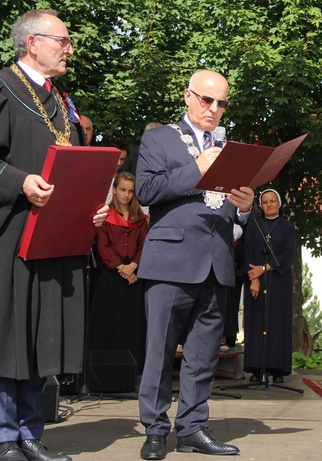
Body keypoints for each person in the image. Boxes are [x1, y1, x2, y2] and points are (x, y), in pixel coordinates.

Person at [0, 9, 109, 461]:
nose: (70, 48)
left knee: (37, 339)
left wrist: (90, 205)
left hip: (49, 240)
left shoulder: (61, 102)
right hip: (2, 238)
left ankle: (30, 434)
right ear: (33, 43)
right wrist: (19, 182)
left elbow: (71, 167)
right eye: (62, 40)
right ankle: (2, 439)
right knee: (4, 339)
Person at [136, 69, 254, 460]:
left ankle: (192, 427)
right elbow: (147, 190)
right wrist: (198, 168)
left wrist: (245, 207)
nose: (214, 109)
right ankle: (155, 429)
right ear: (187, 96)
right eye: (207, 100)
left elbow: (232, 214)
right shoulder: (159, 138)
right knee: (160, 351)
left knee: (204, 354)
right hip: (170, 260)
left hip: (217, 261)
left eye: (222, 103)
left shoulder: (230, 149)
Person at [89, 171, 147, 374]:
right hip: (111, 276)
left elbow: (143, 245)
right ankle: (104, 371)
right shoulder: (105, 216)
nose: (126, 195)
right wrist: (122, 268)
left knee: (132, 325)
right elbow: (102, 247)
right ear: (114, 190)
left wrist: (134, 265)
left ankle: (133, 370)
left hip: (133, 278)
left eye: (130, 191)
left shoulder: (139, 218)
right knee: (109, 324)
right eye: (122, 190)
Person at [243, 188, 296, 383]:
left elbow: (287, 255)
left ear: (279, 204)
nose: (269, 205)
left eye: (272, 201)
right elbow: (248, 254)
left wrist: (264, 268)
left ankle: (277, 369)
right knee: (256, 323)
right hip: (255, 282)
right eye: (265, 202)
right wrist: (254, 278)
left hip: (279, 281)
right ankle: (256, 368)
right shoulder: (254, 226)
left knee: (277, 323)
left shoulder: (288, 228)